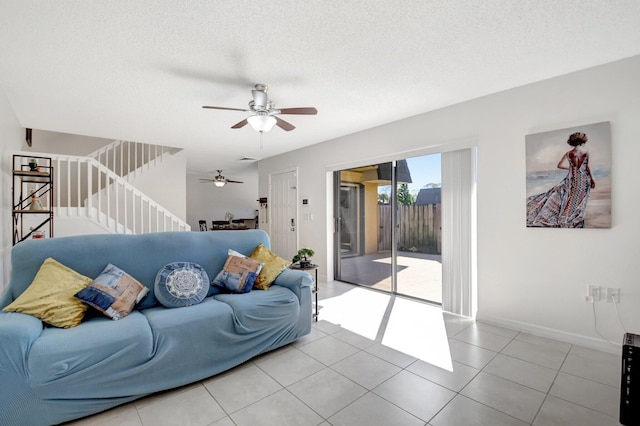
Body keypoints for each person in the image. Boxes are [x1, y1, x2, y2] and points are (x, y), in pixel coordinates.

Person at [526, 132, 596, 228]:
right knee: (580, 198)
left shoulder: (569, 153)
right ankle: (573, 217)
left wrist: (570, 169)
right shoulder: (585, 152)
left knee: (569, 197)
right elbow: (587, 167)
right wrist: (592, 179)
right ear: (582, 140)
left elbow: (559, 165)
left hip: (571, 178)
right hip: (583, 178)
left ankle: (564, 217)